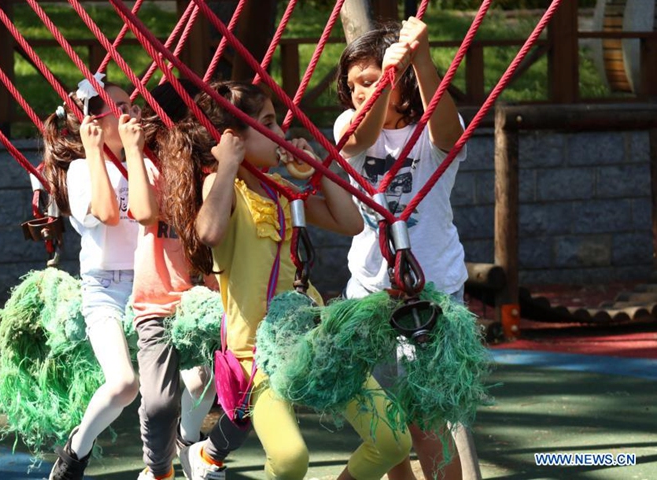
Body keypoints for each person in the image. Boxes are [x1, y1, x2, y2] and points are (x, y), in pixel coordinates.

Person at [161, 80, 412, 480]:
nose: (281, 134)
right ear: (234, 139)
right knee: (292, 459)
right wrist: (226, 164)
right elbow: (208, 233)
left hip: (312, 337)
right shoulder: (225, 189)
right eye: (269, 123)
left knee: (394, 439)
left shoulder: (283, 193)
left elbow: (349, 222)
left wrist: (317, 169)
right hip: (258, 353)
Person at [334, 18, 472, 480]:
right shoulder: (348, 126)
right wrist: (383, 83)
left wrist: (422, 58)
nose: (360, 92)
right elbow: (359, 139)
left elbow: (450, 136)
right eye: (354, 84)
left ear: (403, 82)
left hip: (430, 290)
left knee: (427, 417)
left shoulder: (431, 128)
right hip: (372, 290)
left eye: (370, 82)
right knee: (389, 420)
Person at [41, 75, 145, 480]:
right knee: (123, 385)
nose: (132, 111)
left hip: (150, 284)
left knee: (195, 376)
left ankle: (191, 452)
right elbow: (108, 213)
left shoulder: (147, 160)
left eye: (133, 104)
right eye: (121, 107)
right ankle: (75, 452)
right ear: (95, 124)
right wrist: (93, 149)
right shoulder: (83, 169)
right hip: (104, 289)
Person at [129, 79, 221, 480]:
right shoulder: (149, 164)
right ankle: (158, 469)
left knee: (211, 379)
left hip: (202, 299)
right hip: (157, 300)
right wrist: (133, 150)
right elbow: (146, 213)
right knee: (159, 403)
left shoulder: (209, 170)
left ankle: (188, 444)